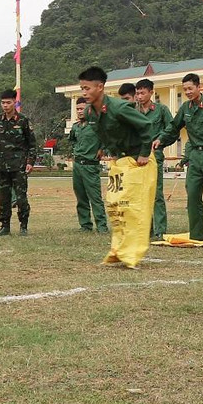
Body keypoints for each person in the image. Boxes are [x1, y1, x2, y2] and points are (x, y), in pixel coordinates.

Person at [78, 66, 157, 267]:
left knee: (132, 208)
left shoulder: (119, 107)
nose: (84, 93)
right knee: (116, 206)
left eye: (87, 88)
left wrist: (144, 153)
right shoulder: (89, 112)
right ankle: (119, 250)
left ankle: (132, 253)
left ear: (100, 87)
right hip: (121, 162)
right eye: (82, 89)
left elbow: (146, 126)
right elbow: (103, 132)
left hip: (139, 160)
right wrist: (105, 149)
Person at [154, 73, 203, 245]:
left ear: (198, 87)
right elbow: (174, 127)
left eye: (190, 88)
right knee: (193, 196)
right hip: (195, 156)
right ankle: (197, 234)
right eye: (185, 89)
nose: (188, 92)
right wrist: (161, 139)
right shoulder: (185, 108)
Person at [0, 89, 36, 236]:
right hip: (1, 166)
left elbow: (32, 144)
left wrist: (30, 162)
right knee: (3, 197)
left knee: (21, 198)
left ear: (15, 103)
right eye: (3, 103)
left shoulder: (23, 120)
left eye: (8, 102)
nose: (5, 106)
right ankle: (5, 226)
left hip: (19, 166)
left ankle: (23, 225)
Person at [135, 79, 174, 241]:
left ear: (152, 92)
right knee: (140, 194)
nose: (139, 96)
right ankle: (145, 227)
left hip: (154, 156)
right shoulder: (132, 111)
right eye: (137, 93)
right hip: (136, 157)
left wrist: (161, 140)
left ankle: (160, 229)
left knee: (156, 193)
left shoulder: (161, 110)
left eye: (143, 93)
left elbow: (172, 129)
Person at [68, 98, 107, 232]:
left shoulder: (96, 124)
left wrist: (102, 149)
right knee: (81, 197)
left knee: (95, 197)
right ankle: (85, 225)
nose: (79, 111)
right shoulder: (76, 126)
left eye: (82, 108)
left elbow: (107, 138)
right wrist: (75, 151)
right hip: (78, 165)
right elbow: (72, 140)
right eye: (77, 109)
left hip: (91, 165)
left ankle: (102, 226)